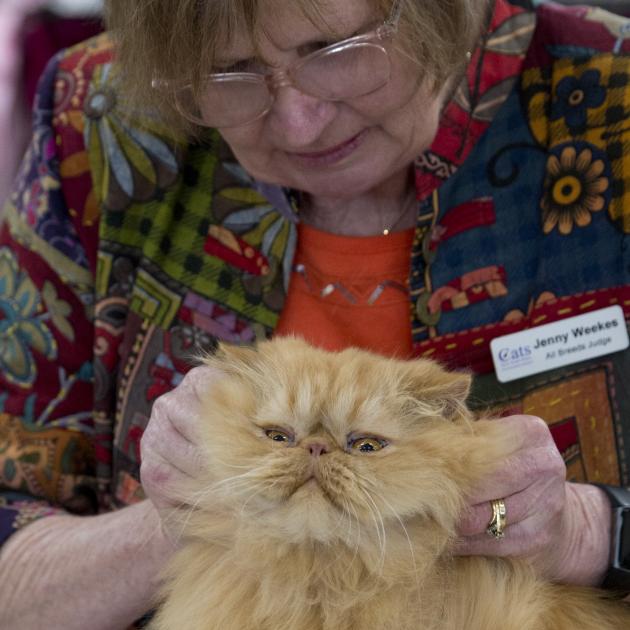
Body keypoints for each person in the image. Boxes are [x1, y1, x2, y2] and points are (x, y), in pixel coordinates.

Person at [0, 0, 629, 628]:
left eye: (336, 53)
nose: (300, 124)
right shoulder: (105, 117)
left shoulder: (614, 95)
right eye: (230, 75)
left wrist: (583, 530)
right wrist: (200, 505)